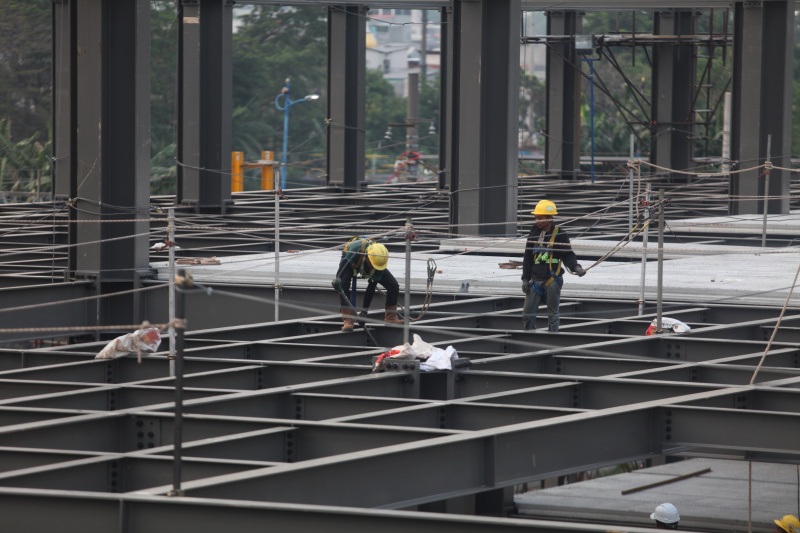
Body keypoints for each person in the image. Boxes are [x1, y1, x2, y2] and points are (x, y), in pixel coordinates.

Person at [521, 200, 585, 331]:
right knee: (527, 314)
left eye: (540, 218)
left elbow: (568, 255)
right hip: (535, 280)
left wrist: (576, 267)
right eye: (536, 218)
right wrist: (525, 279)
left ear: (550, 218)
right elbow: (528, 257)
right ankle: (528, 337)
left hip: (552, 279)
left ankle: (552, 339)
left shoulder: (560, 234)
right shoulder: (534, 233)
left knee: (553, 314)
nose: (537, 221)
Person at [332, 237, 403, 332]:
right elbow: (344, 264)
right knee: (344, 284)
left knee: (393, 285)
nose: (374, 267)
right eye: (373, 265)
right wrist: (338, 279)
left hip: (366, 262)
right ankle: (348, 320)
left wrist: (364, 312)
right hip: (350, 262)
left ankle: (390, 317)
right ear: (368, 256)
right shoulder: (356, 248)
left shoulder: (379, 262)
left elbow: (371, 287)